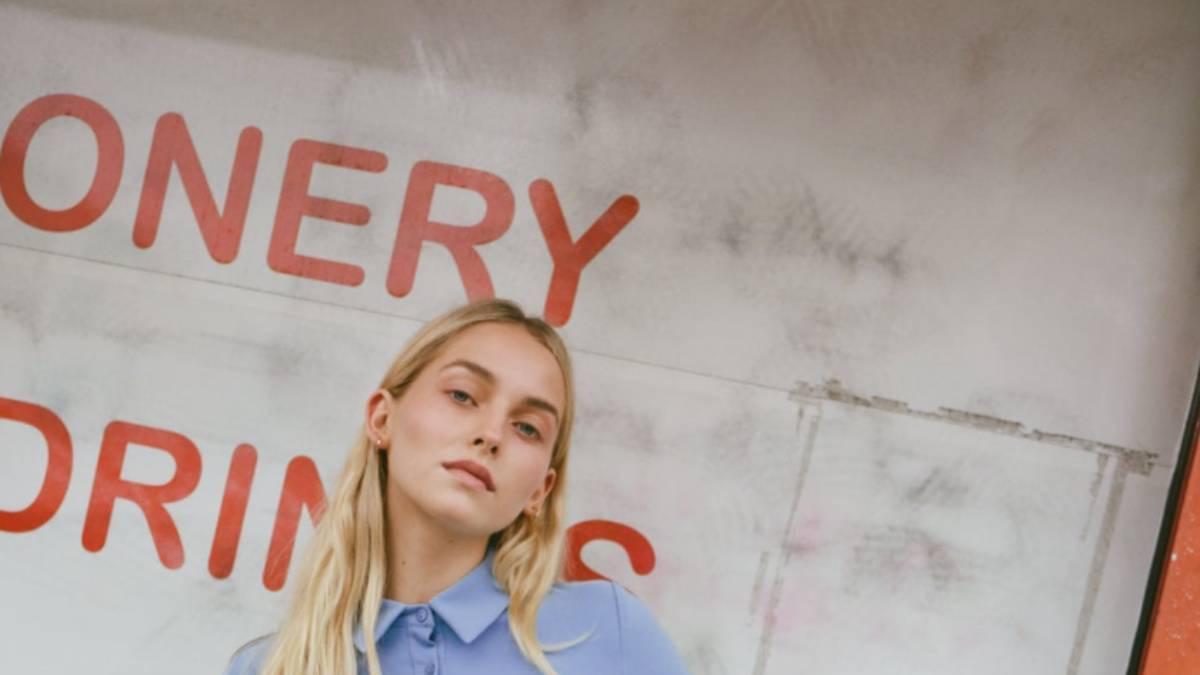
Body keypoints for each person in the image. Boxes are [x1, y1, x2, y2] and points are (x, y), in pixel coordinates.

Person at [223, 298, 690, 674]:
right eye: (462, 395)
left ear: (539, 491)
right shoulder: (268, 668)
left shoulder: (606, 631)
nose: (491, 434)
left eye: (527, 427)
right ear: (382, 418)